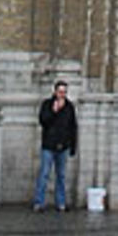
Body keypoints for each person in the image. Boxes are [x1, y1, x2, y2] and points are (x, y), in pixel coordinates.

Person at [32, 79, 77, 212]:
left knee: (61, 175)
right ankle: (39, 202)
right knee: (44, 174)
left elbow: (73, 127)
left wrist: (73, 145)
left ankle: (61, 203)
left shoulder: (69, 107)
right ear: (55, 92)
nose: (62, 94)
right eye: (60, 92)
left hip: (63, 146)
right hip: (49, 145)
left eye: (64, 92)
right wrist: (53, 111)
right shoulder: (47, 104)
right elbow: (43, 121)